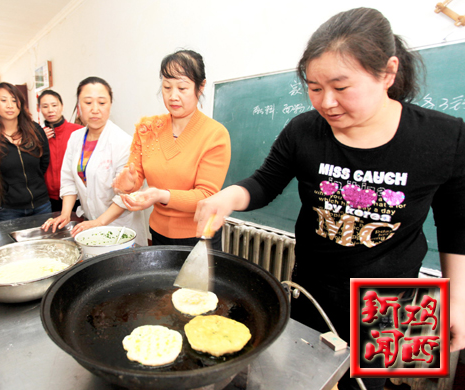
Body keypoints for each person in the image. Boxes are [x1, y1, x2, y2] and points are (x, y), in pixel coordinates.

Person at [194, 7, 465, 390]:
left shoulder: (443, 138)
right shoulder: (304, 131)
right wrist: (227, 198)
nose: (326, 103)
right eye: (314, 87)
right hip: (314, 289)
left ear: (387, 72)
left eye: (341, 87)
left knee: (378, 387)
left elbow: (456, 226)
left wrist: (459, 300)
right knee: (305, 381)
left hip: (397, 299)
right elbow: (264, 182)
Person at [112, 49, 231, 250]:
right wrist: (128, 183)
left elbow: (205, 195)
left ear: (200, 87)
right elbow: (136, 176)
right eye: (167, 87)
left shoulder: (215, 134)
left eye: (182, 88)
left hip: (200, 236)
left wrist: (160, 195)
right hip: (158, 232)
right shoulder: (147, 128)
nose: (173, 96)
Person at [42, 77, 147, 246]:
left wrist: (99, 222)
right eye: (88, 102)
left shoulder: (123, 142)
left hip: (120, 227)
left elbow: (125, 195)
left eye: (102, 103)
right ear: (78, 106)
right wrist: (65, 213)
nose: (95, 109)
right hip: (90, 222)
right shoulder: (75, 138)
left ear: (110, 106)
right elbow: (69, 178)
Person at [0, 82, 51, 222]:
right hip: (8, 209)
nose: (10, 105)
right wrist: (7, 192)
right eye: (3, 100)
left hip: (41, 204)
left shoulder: (35, 130)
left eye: (14, 100)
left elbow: (44, 161)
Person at [38, 89, 83, 212]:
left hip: (76, 195)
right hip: (48, 198)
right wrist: (39, 140)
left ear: (62, 106)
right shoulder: (36, 135)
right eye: (45, 106)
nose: (50, 110)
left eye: (54, 105)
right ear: (40, 109)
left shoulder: (78, 131)